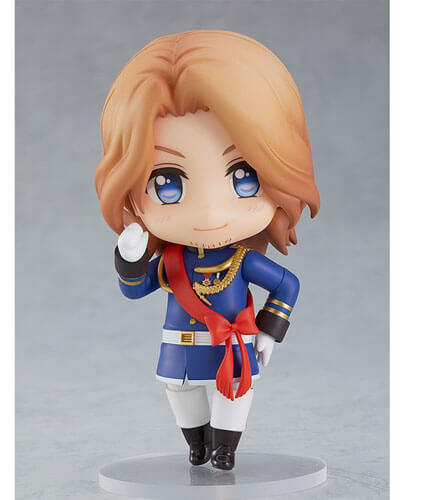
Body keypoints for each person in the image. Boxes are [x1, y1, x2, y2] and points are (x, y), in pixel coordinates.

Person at [95, 30, 319, 471]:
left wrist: (270, 329)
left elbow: (286, 284)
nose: (210, 211)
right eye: (167, 184)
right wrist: (130, 259)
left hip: (232, 344)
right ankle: (196, 444)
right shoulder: (173, 262)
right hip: (179, 347)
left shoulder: (242, 260)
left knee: (234, 391)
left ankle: (225, 448)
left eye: (244, 176)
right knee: (179, 389)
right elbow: (135, 289)